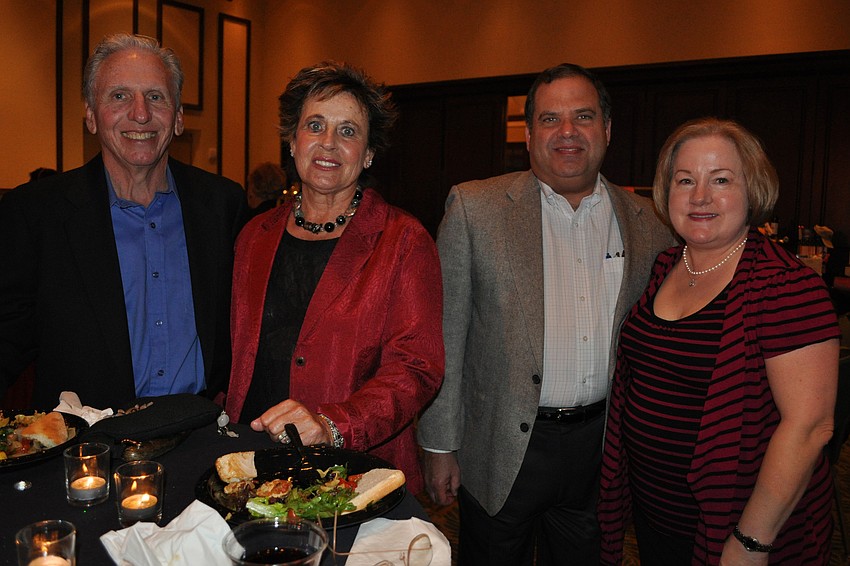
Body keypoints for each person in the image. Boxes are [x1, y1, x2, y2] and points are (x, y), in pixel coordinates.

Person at [416, 63, 675, 565]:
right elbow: (447, 333)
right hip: (500, 446)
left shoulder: (650, 223)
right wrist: (440, 445)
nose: (567, 131)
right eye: (550, 119)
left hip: (600, 449)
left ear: (606, 129)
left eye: (583, 116)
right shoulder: (475, 209)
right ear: (530, 134)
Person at [598, 118, 840, 565]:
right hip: (656, 515)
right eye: (685, 180)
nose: (700, 196)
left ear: (754, 190)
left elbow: (809, 428)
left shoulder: (786, 286)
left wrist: (751, 541)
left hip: (736, 524)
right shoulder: (664, 266)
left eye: (721, 180)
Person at [224, 61, 443, 494]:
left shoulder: (404, 240)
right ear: (292, 141)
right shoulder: (254, 236)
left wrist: (333, 426)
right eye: (315, 125)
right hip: (253, 459)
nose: (328, 142)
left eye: (347, 131)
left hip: (356, 474)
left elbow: (416, 369)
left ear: (368, 153)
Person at [0, 34, 248, 409]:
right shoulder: (35, 214)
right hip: (87, 438)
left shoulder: (223, 206)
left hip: (199, 429)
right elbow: (6, 336)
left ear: (179, 117)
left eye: (156, 96)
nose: (141, 114)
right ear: (90, 116)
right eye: (119, 96)